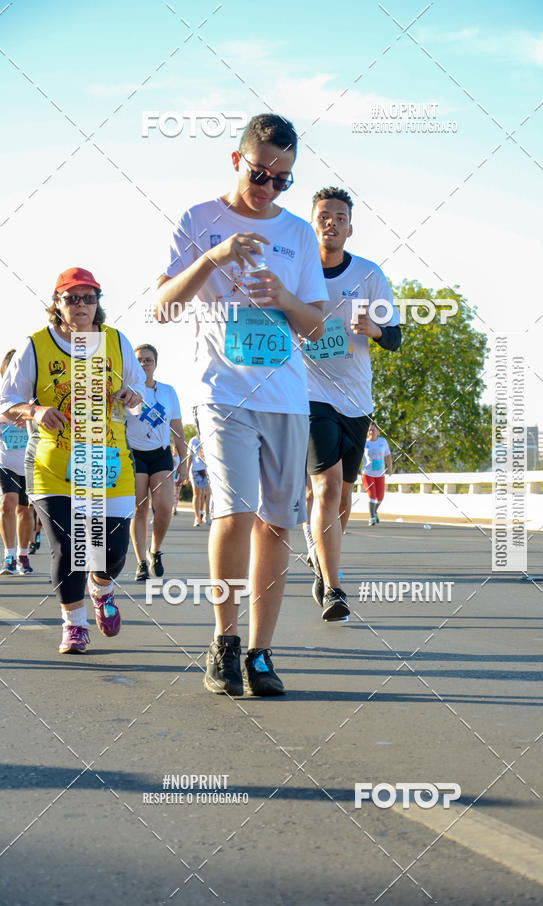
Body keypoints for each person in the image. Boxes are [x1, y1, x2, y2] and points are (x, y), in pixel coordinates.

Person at [156, 112, 326, 696]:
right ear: (237, 161)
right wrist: (215, 256)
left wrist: (282, 297)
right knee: (232, 510)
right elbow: (163, 307)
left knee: (277, 524)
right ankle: (224, 642)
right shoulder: (199, 220)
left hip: (285, 397)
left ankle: (260, 653)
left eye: (284, 181)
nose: (270, 188)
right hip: (222, 391)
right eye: (261, 175)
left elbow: (315, 324)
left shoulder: (300, 235)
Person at [0, 267, 144, 654]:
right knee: (69, 546)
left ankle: (102, 587)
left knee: (111, 553)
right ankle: (74, 625)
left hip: (108, 461)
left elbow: (139, 389)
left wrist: (132, 396)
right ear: (57, 304)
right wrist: (34, 410)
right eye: (71, 298)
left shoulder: (116, 341)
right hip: (52, 465)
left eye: (88, 298)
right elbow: (4, 404)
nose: (80, 305)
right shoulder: (36, 346)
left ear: (98, 304)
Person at [303, 187, 401, 620]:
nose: (331, 223)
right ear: (313, 222)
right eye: (324, 216)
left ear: (350, 227)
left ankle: (324, 566)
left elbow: (395, 337)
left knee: (343, 498)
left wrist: (373, 330)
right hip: (309, 394)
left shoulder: (368, 273)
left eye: (339, 217)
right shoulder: (296, 273)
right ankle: (335, 590)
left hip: (356, 399)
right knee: (324, 487)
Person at [126, 344, 188, 581]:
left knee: (163, 507)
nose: (144, 364)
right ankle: (141, 562)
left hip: (161, 453)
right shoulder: (128, 391)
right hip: (135, 454)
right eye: (139, 360)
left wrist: (183, 461)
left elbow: (178, 428)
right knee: (139, 509)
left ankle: (155, 549)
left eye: (148, 360)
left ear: (155, 363)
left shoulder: (168, 391)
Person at [0, 349, 34, 575]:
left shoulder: (33, 393)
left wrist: (31, 420)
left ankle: (23, 554)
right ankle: (9, 556)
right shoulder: (3, 395)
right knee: (7, 503)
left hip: (30, 461)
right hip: (5, 460)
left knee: (25, 510)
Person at [361, 422, 393, 524]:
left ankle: (374, 511)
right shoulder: (364, 443)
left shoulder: (383, 441)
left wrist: (390, 468)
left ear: (378, 432)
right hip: (367, 473)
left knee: (380, 497)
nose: (371, 432)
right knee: (372, 495)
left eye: (374, 430)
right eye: (369, 430)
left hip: (380, 474)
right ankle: (372, 517)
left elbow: (388, 455)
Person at [187, 434, 210, 525]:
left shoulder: (209, 437)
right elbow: (190, 456)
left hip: (207, 470)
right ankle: (197, 518)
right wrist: (186, 471)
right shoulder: (193, 440)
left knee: (208, 493)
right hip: (196, 470)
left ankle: (206, 515)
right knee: (197, 494)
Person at [171, 442, 182, 515]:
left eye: (177, 448)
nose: (176, 449)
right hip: (172, 476)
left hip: (178, 477)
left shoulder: (181, 458)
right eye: (175, 448)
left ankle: (175, 508)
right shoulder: (171, 457)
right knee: (173, 493)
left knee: (177, 494)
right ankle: (172, 508)